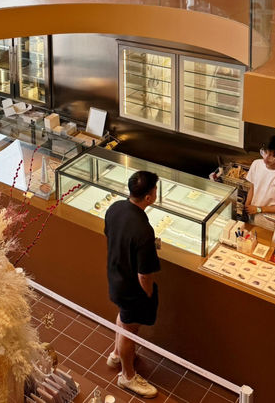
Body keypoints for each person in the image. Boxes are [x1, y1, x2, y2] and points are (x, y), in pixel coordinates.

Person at [104, 170, 160, 399]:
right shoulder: (143, 231)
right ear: (148, 197)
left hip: (115, 277)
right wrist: (147, 295)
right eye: (155, 189)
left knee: (123, 317)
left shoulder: (115, 207)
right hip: (132, 290)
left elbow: (111, 234)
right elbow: (144, 275)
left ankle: (117, 354)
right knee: (130, 330)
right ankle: (127, 376)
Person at [244, 135, 275, 230]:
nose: (266, 158)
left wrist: (259, 209)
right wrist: (247, 206)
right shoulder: (256, 164)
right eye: (266, 152)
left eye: (272, 155)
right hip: (252, 217)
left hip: (271, 223)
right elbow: (253, 187)